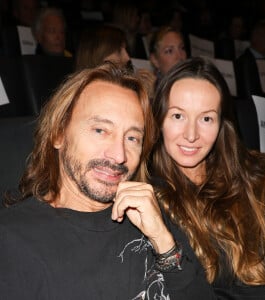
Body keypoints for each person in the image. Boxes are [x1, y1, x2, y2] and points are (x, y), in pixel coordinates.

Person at [0, 62, 217, 299]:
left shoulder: (151, 210)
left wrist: (164, 242)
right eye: (100, 130)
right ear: (58, 134)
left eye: (132, 138)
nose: (119, 155)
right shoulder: (12, 240)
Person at [149, 57, 265, 299]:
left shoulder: (264, 177)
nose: (191, 135)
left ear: (221, 125)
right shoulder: (150, 198)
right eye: (178, 116)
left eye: (206, 118)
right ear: (159, 120)